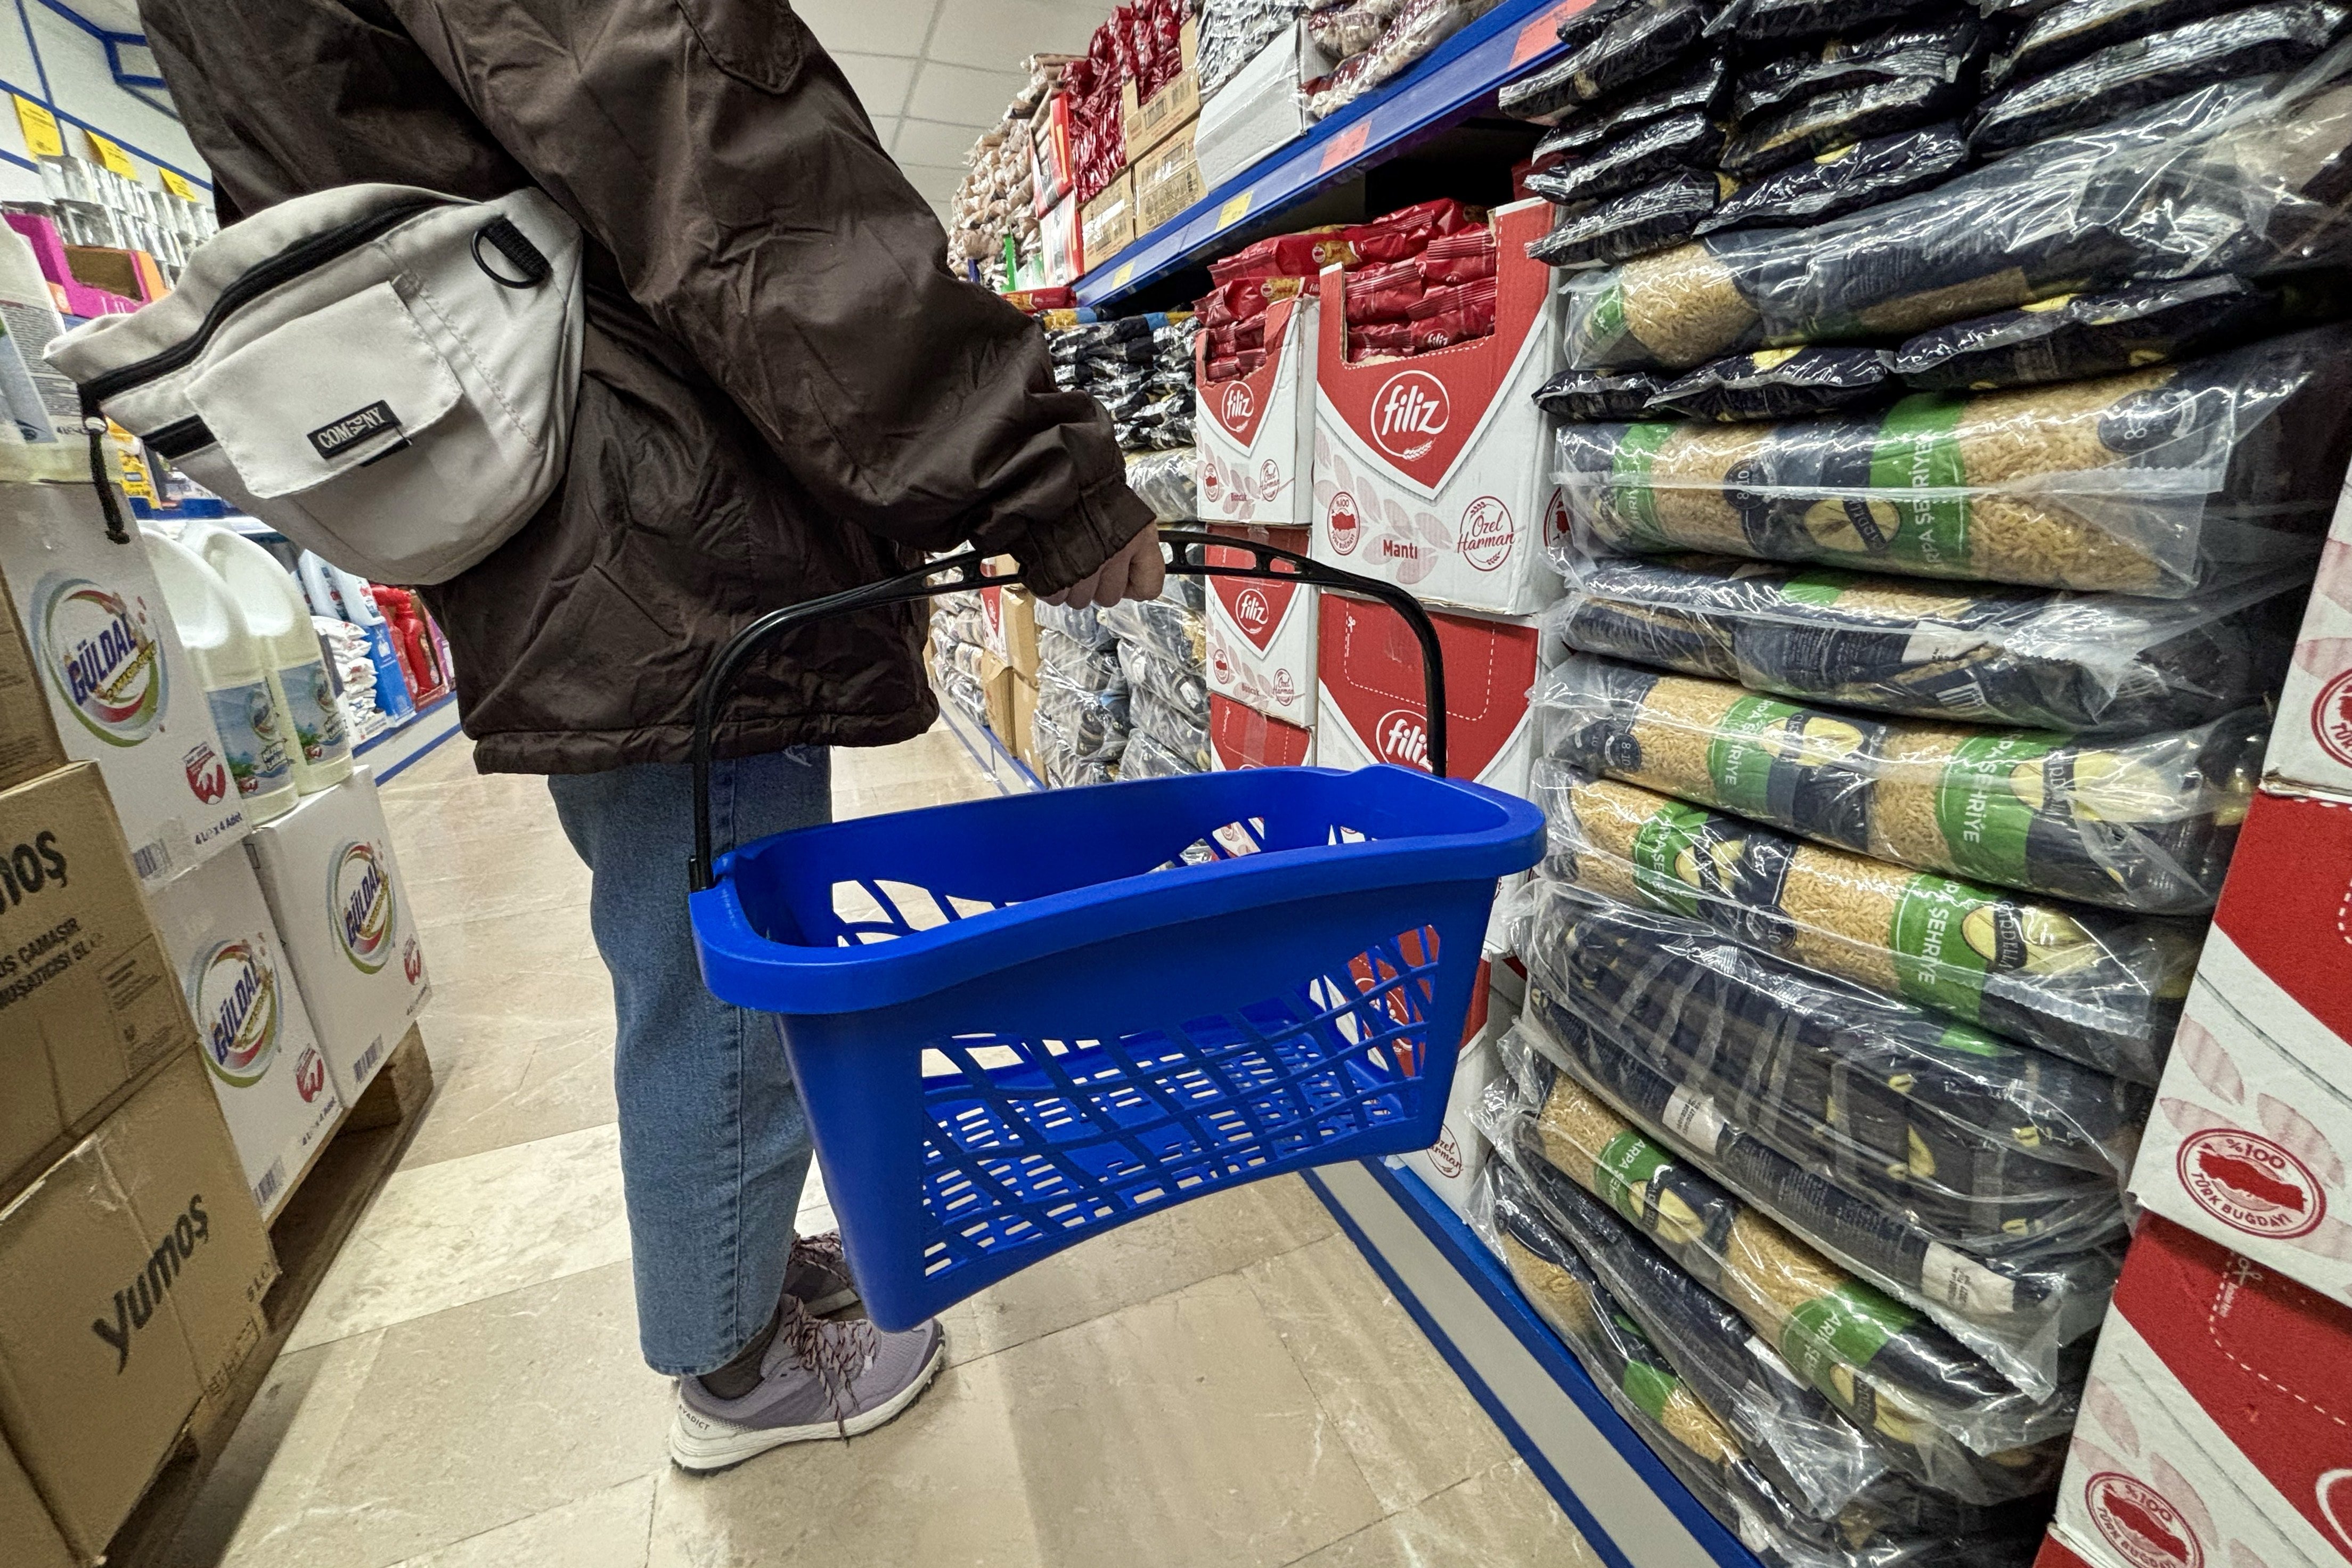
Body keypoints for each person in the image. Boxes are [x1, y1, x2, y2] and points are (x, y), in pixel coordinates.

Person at [135, 0, 1164, 1469]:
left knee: (695, 953)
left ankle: (739, 1273)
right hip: (666, 533)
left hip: (566, 519)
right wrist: (1036, 472)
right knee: (714, 979)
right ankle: (734, 1365)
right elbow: (721, 164)